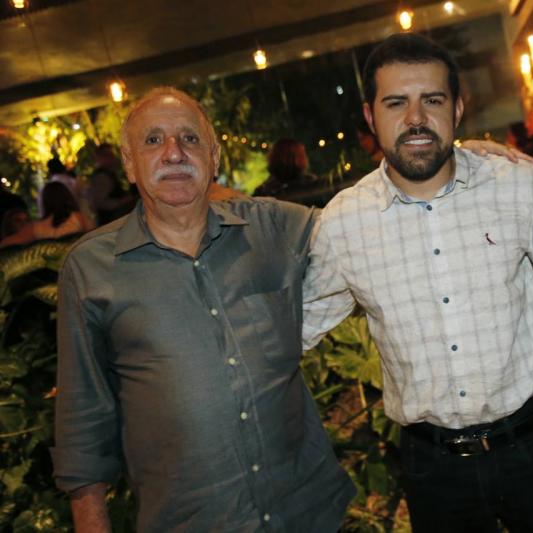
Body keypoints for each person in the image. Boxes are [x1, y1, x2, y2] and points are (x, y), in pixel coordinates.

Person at [303, 33, 533, 532]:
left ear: (457, 109)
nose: (415, 118)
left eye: (432, 100)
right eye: (396, 103)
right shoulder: (342, 223)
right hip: (432, 468)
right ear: (370, 116)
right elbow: (296, 327)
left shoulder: (520, 187)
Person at [52, 87, 354, 532]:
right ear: (129, 164)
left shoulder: (270, 228)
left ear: (213, 158)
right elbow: (82, 421)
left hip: (309, 514)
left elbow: (363, 223)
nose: (174, 153)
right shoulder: (91, 268)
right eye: (153, 140)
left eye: (189, 139)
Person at [0, 181, 93, 248]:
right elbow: (94, 240)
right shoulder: (80, 218)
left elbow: (6, 243)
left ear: (44, 202)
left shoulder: (36, 228)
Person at [88, 143, 136, 225]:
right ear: (100, 158)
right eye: (108, 155)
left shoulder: (110, 174)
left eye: (112, 155)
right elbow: (99, 203)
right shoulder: (102, 177)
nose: (113, 158)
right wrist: (122, 202)